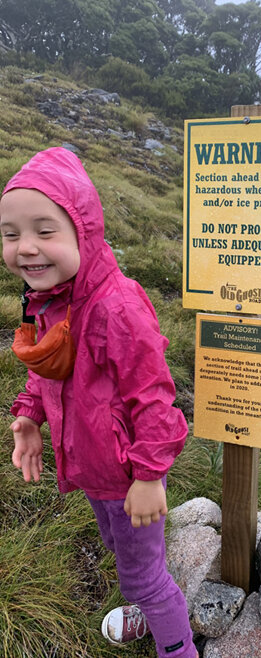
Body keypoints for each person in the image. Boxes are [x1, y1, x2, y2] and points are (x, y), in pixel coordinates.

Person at [0, 147, 198, 658]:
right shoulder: (50, 298)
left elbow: (155, 401)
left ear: (82, 232)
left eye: (45, 231)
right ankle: (142, 604)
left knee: (146, 577)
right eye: (10, 232)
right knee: (120, 547)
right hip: (92, 467)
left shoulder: (117, 307)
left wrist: (150, 475)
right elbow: (48, 363)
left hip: (127, 471)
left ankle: (177, 647)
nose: (25, 248)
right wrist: (29, 413)